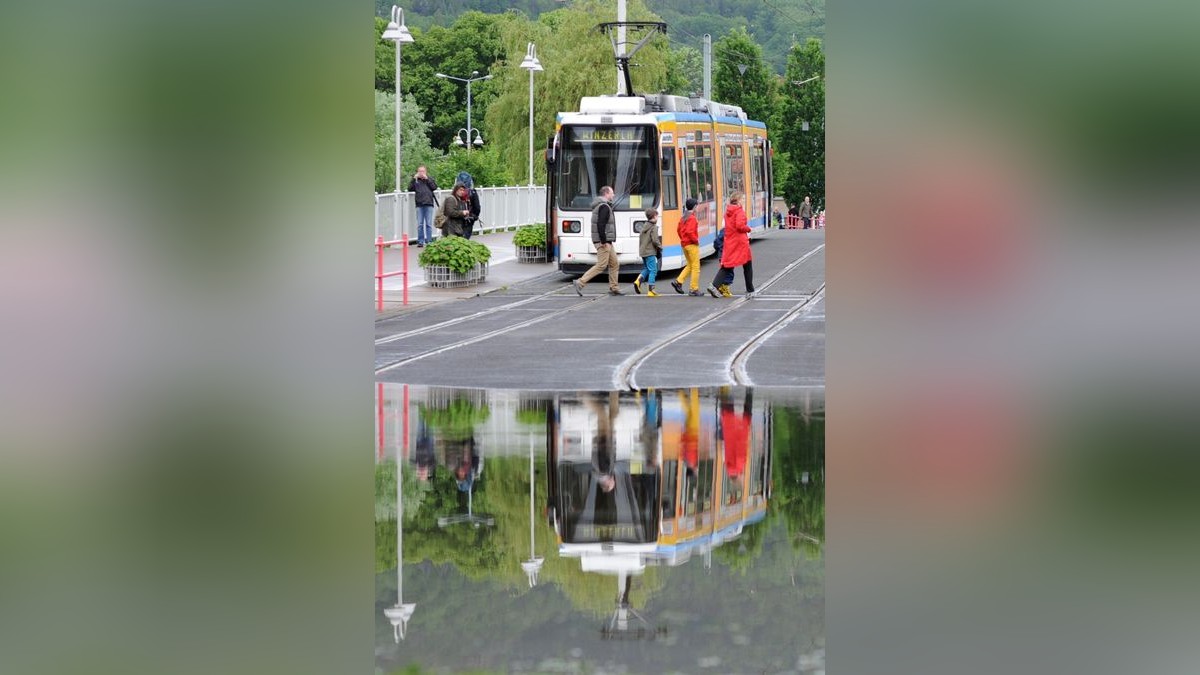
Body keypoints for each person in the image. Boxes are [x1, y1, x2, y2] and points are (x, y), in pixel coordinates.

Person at [573, 186, 624, 296]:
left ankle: (614, 287)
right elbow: (601, 225)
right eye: (612, 193)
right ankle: (580, 282)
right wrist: (603, 240)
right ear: (606, 193)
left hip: (607, 241)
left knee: (614, 263)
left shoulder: (601, 206)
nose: (613, 195)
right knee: (601, 265)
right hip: (603, 241)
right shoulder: (604, 207)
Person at [707, 192, 755, 298]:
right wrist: (748, 228)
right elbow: (740, 225)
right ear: (738, 200)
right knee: (747, 265)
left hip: (730, 241)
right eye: (742, 198)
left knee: (728, 264)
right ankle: (750, 290)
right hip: (740, 242)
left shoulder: (728, 211)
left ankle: (714, 285)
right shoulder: (739, 211)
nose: (744, 200)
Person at [670, 198, 703, 295]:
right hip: (691, 244)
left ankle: (678, 281)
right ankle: (694, 289)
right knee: (696, 267)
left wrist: (683, 238)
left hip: (684, 244)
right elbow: (690, 232)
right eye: (697, 206)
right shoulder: (692, 218)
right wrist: (695, 241)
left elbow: (678, 230)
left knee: (690, 265)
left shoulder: (683, 217)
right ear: (694, 207)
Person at [633, 207, 662, 296]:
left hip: (643, 252)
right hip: (650, 252)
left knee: (647, 269)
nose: (657, 218)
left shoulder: (644, 226)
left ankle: (638, 281)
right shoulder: (653, 227)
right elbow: (655, 240)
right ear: (654, 216)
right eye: (657, 216)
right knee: (654, 270)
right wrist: (660, 247)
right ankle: (651, 290)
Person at [407, 165, 439, 247]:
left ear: (426, 172)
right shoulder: (416, 181)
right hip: (419, 204)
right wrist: (414, 179)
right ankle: (420, 241)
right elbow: (409, 188)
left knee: (428, 224)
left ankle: (429, 241)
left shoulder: (429, 179)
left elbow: (434, 187)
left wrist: (427, 179)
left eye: (422, 171)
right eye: (419, 171)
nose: (421, 173)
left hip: (429, 204)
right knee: (420, 224)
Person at [455, 171, 482, 239]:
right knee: (465, 239)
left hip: (457, 218)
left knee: (457, 239)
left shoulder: (455, 192)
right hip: (469, 218)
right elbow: (477, 207)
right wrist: (475, 216)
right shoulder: (472, 192)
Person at [711, 227, 735, 297]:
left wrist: (718, 249)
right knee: (729, 270)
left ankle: (722, 286)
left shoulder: (722, 232)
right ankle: (724, 287)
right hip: (727, 254)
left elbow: (716, 242)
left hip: (721, 254)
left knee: (726, 269)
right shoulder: (730, 231)